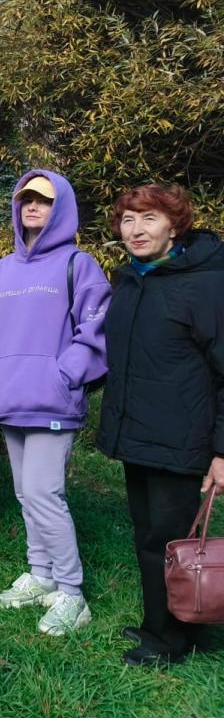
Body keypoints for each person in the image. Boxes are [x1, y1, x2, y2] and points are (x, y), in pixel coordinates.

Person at [0, 171, 110, 635]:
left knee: (43, 494)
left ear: (61, 208)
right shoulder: (4, 269)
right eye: (26, 199)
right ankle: (41, 574)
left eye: (44, 200)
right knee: (24, 493)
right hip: (8, 397)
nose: (32, 206)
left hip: (52, 401)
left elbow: (95, 331)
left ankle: (72, 592)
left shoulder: (79, 264)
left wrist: (63, 375)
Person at [98, 184, 224, 667]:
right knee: (149, 534)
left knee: (169, 540)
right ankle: (167, 622)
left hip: (182, 437)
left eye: (148, 218)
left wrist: (221, 451)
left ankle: (169, 642)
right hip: (139, 433)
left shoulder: (206, 284)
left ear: (174, 225)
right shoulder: (133, 280)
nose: (135, 230)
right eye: (128, 220)